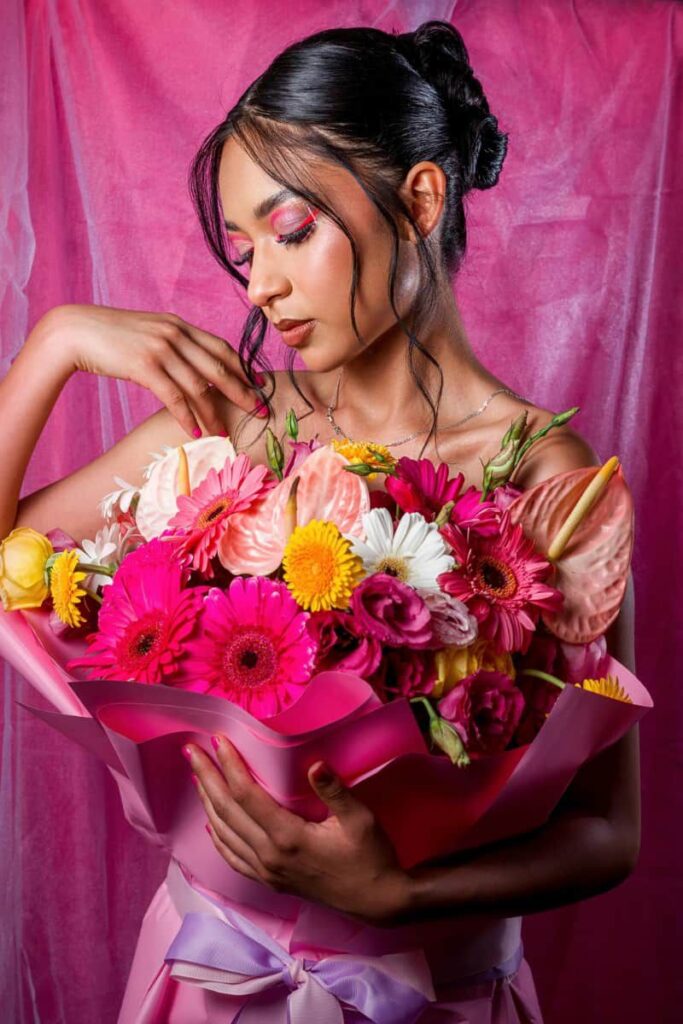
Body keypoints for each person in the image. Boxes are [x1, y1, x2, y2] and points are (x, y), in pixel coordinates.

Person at [0, 20, 639, 1023]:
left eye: (289, 230)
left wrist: (398, 895)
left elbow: (608, 827)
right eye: (244, 248)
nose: (257, 285)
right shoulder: (239, 430)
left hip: (431, 993)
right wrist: (55, 344)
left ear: (420, 199)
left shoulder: (547, 485)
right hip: (209, 978)